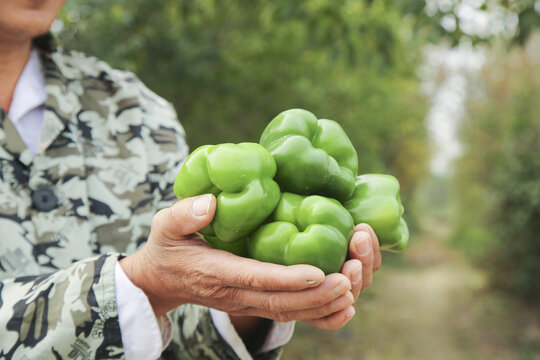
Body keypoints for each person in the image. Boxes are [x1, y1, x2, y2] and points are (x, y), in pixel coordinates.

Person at [0, 1, 382, 359]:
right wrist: (141, 284)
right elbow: (151, 285)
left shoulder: (136, 111)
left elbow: (171, 326)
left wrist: (249, 300)